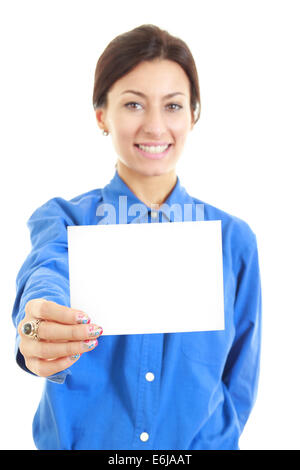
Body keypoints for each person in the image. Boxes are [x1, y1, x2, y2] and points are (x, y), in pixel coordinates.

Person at [12, 24, 262, 450]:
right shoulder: (65, 220)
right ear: (101, 115)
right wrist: (38, 322)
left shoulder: (233, 240)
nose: (154, 126)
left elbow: (240, 379)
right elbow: (46, 273)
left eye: (173, 106)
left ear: (193, 115)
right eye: (133, 104)